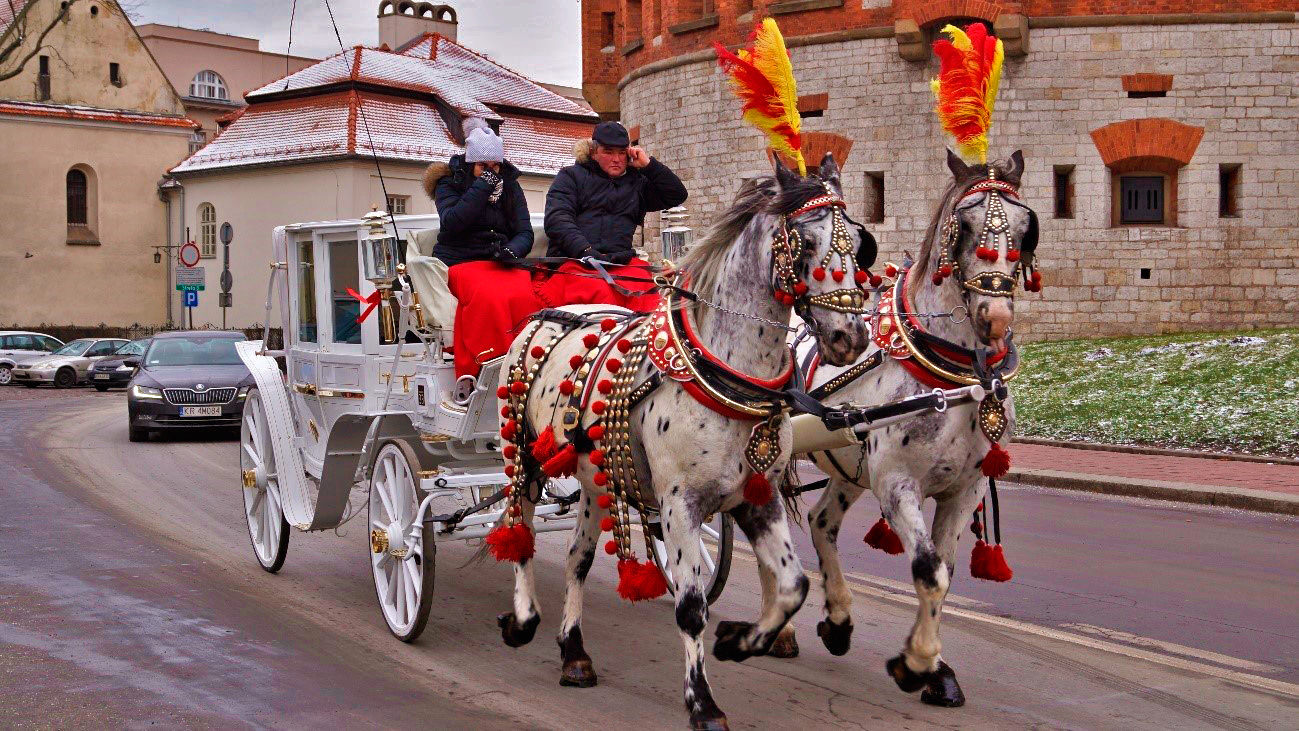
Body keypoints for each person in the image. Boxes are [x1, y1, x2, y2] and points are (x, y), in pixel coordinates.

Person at [423, 118, 541, 377]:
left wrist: (512, 250)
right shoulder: (448, 183)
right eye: (483, 166)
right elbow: (453, 222)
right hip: (460, 261)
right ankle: (490, 364)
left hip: (499, 261)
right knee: (490, 297)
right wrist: (484, 184)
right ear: (470, 163)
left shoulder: (509, 185)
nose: (491, 171)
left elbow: (524, 231)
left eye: (495, 166)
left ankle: (527, 361)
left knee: (526, 294)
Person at [543, 121, 688, 311]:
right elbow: (557, 219)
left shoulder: (637, 183)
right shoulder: (570, 176)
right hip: (576, 261)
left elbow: (677, 195)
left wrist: (648, 166)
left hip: (620, 263)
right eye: (608, 152)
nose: (616, 159)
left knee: (655, 296)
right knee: (603, 295)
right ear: (593, 151)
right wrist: (585, 251)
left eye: (621, 152)